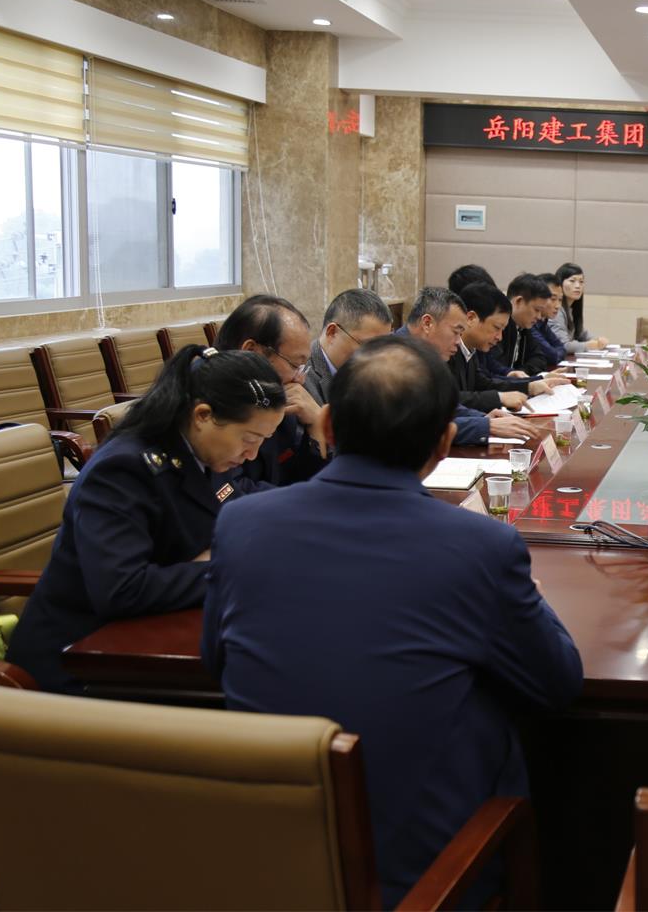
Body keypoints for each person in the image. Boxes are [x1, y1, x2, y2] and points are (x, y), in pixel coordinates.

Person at [202, 334, 583, 908]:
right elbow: (557, 684)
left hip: (267, 863)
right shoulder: (482, 547)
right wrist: (529, 598)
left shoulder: (241, 523)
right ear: (444, 442)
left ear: (327, 424)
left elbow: (216, 661)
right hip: (427, 881)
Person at [8, 346, 284, 693]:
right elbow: (122, 590)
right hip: (81, 661)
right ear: (202, 415)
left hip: (153, 632)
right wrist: (224, 563)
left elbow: (233, 501)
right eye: (249, 439)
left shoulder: (203, 451)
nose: (252, 454)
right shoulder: (123, 470)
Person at [215, 294, 330, 487]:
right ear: (251, 352)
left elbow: (303, 476)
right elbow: (233, 491)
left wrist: (316, 426)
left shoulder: (277, 401)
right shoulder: (211, 404)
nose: (300, 379)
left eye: (303, 367)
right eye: (294, 365)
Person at [398, 286, 537, 444]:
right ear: (427, 323)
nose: (459, 341)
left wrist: (483, 418)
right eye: (456, 332)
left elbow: (444, 404)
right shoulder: (394, 359)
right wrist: (486, 426)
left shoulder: (425, 353)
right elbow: (419, 426)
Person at [450, 282, 568, 413]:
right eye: (496, 328)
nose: (500, 337)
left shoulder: (470, 349)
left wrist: (529, 386)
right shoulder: (447, 351)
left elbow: (483, 383)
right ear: (471, 318)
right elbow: (449, 400)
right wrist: (498, 400)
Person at [302, 288, 394, 405]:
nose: (377, 357)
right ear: (332, 333)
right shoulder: (300, 378)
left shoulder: (374, 373)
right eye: (369, 346)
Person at [492, 273, 555, 378]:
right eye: (537, 310)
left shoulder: (523, 327)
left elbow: (540, 359)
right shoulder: (498, 328)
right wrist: (517, 376)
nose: (539, 317)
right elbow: (493, 370)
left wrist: (521, 373)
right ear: (519, 301)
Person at [551, 261, 608, 354]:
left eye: (581, 282)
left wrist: (598, 340)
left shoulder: (571, 309)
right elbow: (564, 345)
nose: (578, 286)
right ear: (560, 284)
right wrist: (589, 345)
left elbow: (581, 334)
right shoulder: (556, 310)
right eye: (572, 281)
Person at [529, 273, 569, 366]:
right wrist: (556, 354)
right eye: (553, 299)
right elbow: (552, 356)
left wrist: (556, 354)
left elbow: (562, 348)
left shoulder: (543, 322)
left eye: (560, 300)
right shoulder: (530, 323)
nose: (558, 306)